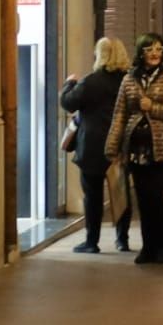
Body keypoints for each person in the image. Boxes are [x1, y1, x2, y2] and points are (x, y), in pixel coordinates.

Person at [104, 33, 163, 264]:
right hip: (135, 146)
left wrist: (154, 108)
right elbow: (120, 114)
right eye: (150, 49)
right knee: (142, 197)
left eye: (159, 49)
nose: (154, 54)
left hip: (162, 146)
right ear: (141, 52)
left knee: (156, 194)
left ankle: (162, 244)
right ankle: (150, 246)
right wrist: (112, 146)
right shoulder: (129, 79)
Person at [60, 36, 132, 253]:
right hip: (120, 145)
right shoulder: (128, 82)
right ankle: (122, 239)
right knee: (121, 193)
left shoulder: (90, 82)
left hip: (92, 146)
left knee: (92, 196)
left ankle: (92, 242)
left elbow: (68, 102)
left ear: (99, 55)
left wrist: (69, 83)